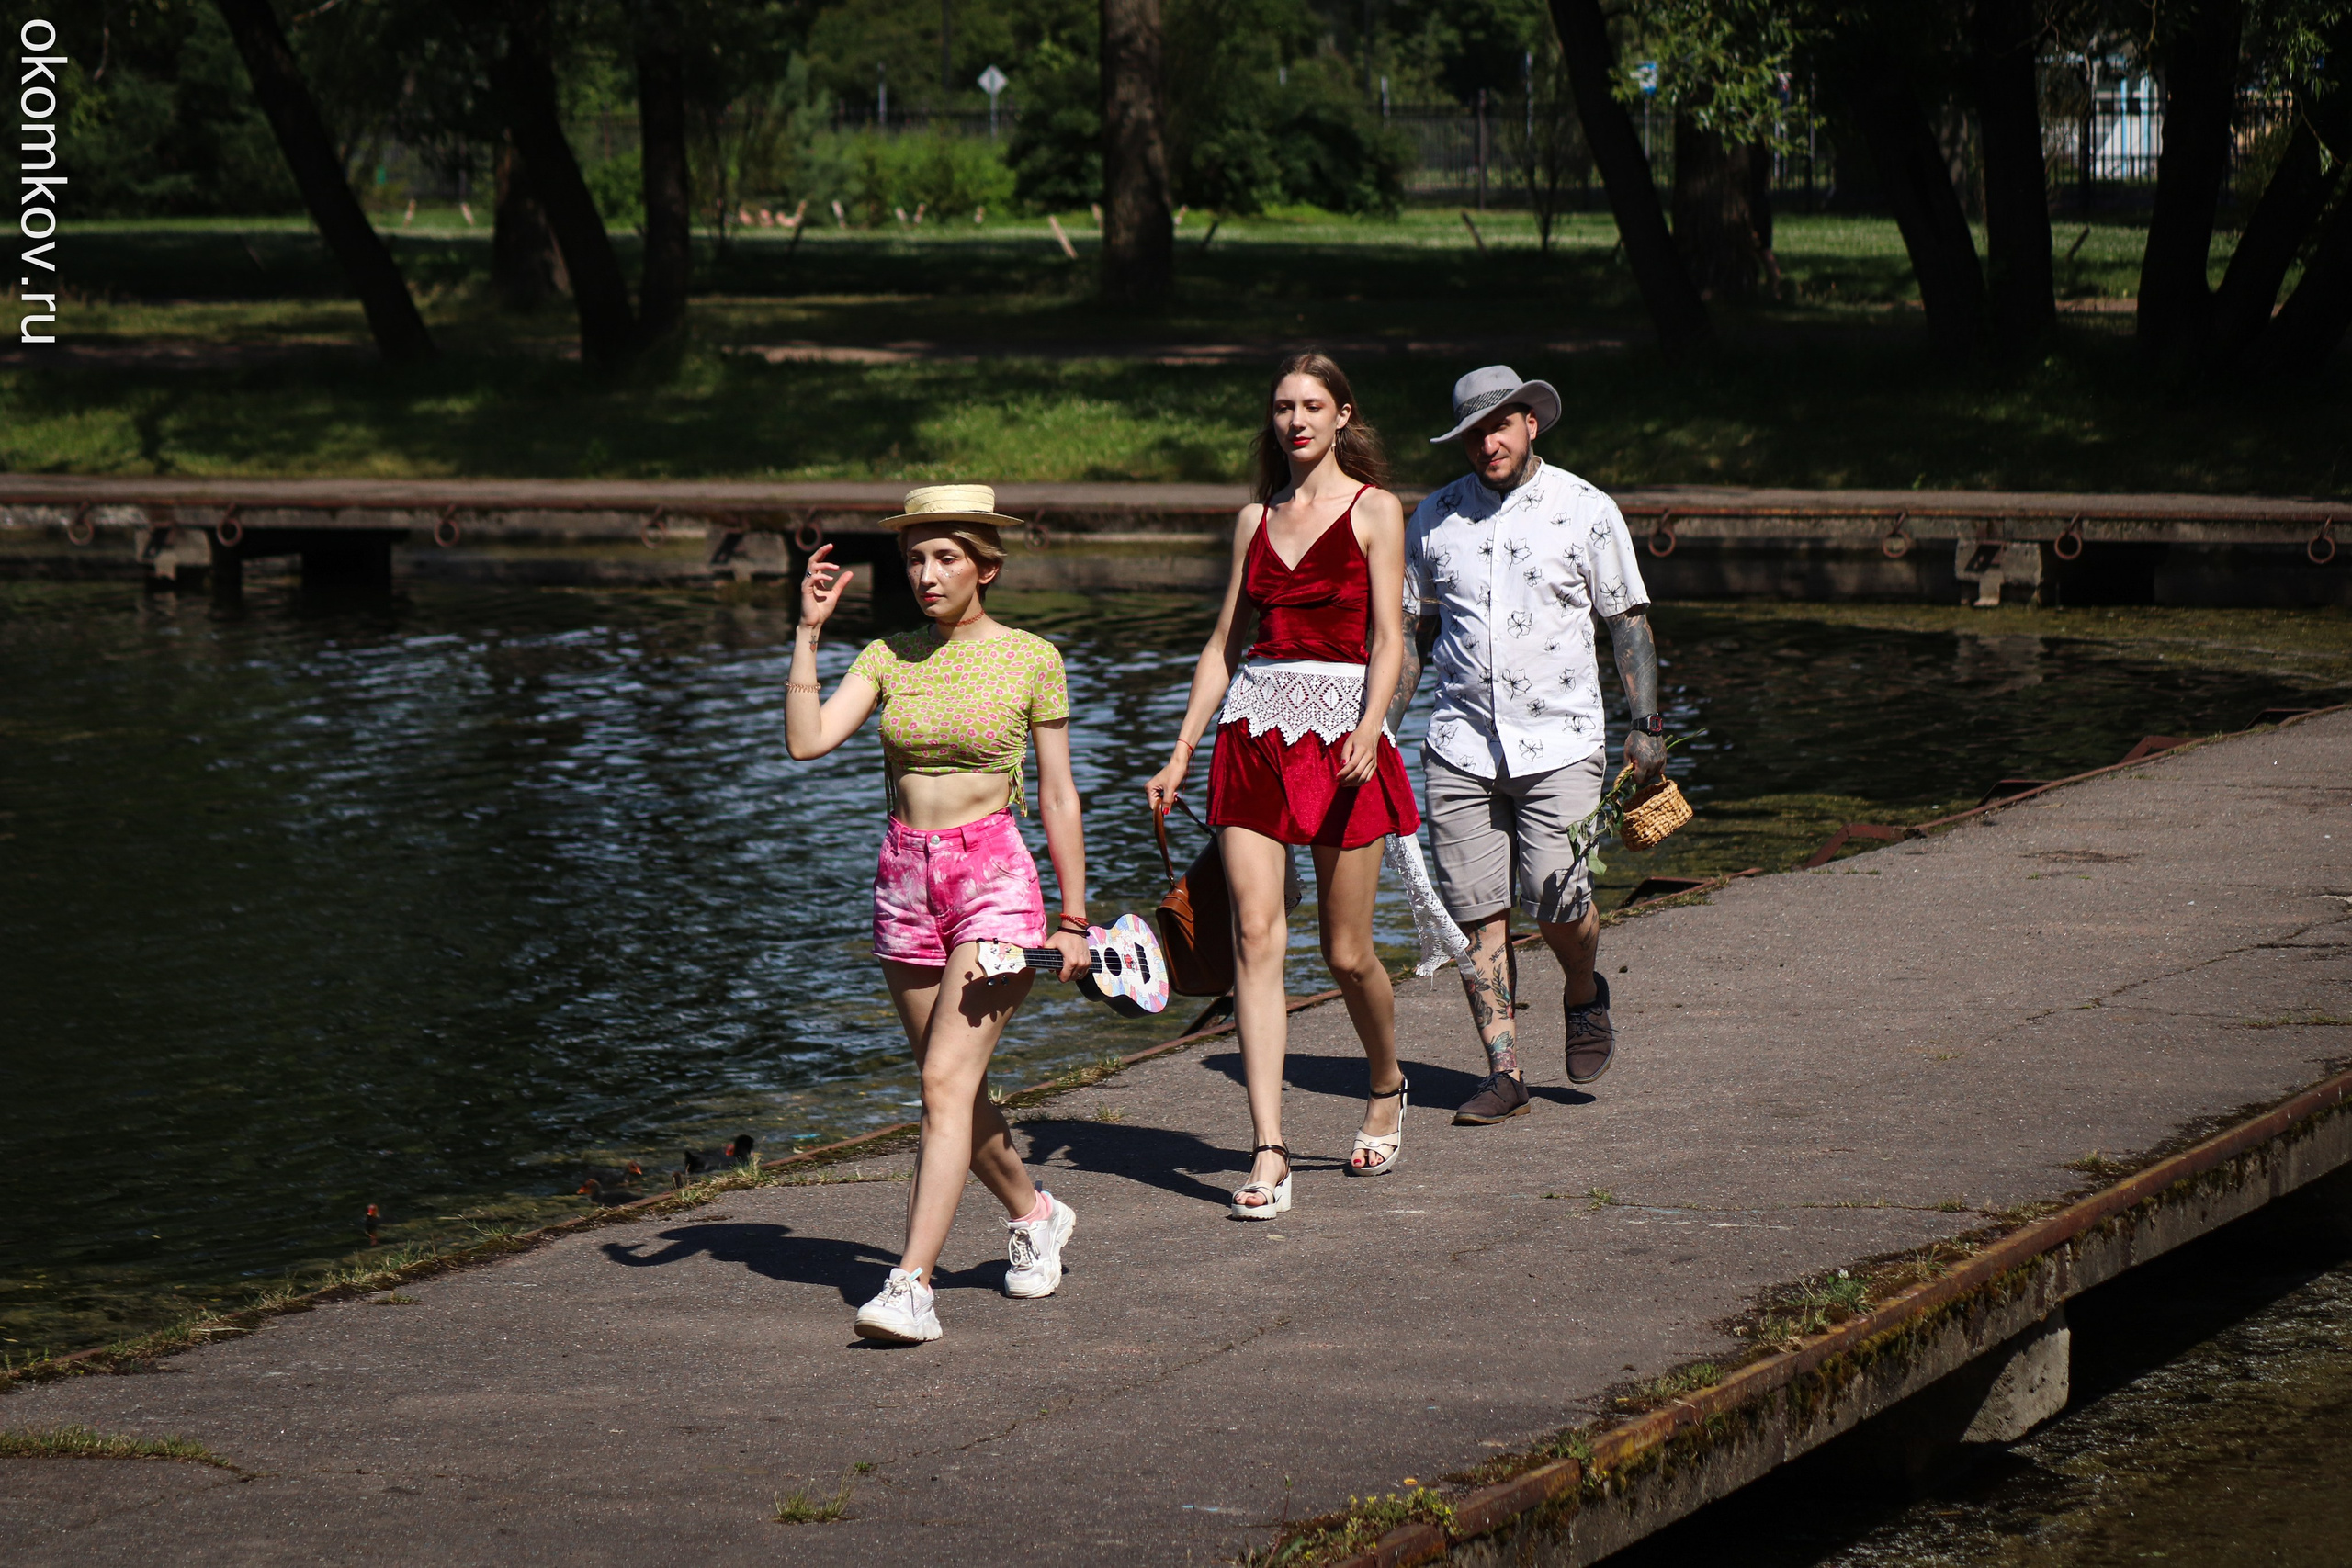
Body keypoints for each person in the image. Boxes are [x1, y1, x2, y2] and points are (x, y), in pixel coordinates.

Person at [786, 484, 1091, 1344]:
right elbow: (807, 741)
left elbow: (1059, 795)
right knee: (951, 1083)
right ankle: (1035, 1213)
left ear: (985, 567)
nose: (926, 573)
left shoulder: (1032, 657)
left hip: (993, 878)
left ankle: (912, 1284)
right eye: (915, 558)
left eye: (946, 557)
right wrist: (808, 632)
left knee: (941, 1084)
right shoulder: (888, 654)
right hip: (903, 882)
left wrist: (1072, 918)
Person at [1145, 352, 1420, 1218]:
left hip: (1342, 736)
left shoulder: (1376, 509)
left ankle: (1387, 1082)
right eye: (1281, 407)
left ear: (1343, 415)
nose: (1294, 420)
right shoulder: (1253, 520)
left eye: (1310, 405)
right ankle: (1269, 1148)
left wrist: (1372, 724)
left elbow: (1389, 638)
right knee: (1256, 937)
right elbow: (1224, 645)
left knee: (1346, 952)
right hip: (1253, 735)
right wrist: (1182, 750)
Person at [1385, 367, 1667, 1127]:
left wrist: (1646, 723)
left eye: (1500, 427)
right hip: (1459, 746)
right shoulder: (1434, 519)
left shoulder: (1586, 508)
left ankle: (1583, 989)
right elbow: (1410, 636)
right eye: (1473, 433)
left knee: (1558, 897)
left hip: (1562, 740)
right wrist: (1381, 727)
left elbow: (1628, 621)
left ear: (1530, 423)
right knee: (1476, 914)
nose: (1488, 444)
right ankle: (1505, 1071)